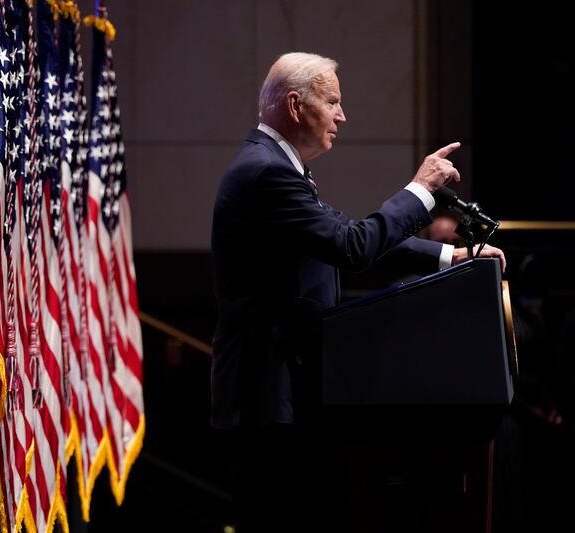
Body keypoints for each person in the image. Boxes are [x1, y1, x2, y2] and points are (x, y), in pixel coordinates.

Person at [210, 52, 506, 531]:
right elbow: (352, 246)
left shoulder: (276, 169)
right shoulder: (267, 173)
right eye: (333, 102)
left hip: (285, 393)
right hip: (268, 398)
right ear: (295, 103)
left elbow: (347, 234)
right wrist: (420, 189)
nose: (342, 116)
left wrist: (449, 257)